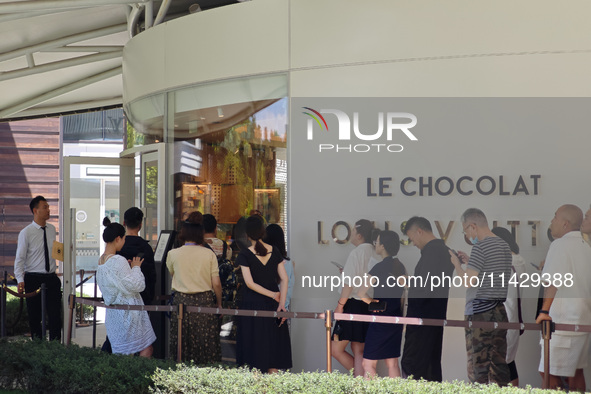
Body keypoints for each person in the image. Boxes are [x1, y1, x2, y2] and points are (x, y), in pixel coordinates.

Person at [449, 208, 512, 386]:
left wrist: (457, 266)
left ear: (473, 226)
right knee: (499, 363)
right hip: (500, 310)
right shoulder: (504, 245)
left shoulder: (480, 246)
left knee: (478, 366)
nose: (467, 235)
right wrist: (471, 261)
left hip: (479, 312)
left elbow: (468, 282)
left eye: (465, 230)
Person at [536, 204, 591, 391]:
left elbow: (553, 282)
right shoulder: (586, 247)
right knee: (576, 372)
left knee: (547, 372)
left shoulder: (560, 245)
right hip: (582, 320)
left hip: (562, 321)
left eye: (555, 217)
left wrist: (544, 311)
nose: (552, 221)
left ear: (565, 224)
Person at [236, 215, 292, 372]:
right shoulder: (275, 251)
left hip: (251, 305)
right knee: (272, 353)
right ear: (262, 232)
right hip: (272, 306)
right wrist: (280, 303)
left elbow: (249, 283)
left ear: (247, 235)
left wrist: (273, 295)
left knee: (254, 354)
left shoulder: (245, 254)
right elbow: (284, 279)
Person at [401, 216, 454, 382]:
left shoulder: (432, 252)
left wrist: (408, 283)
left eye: (412, 238)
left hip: (422, 319)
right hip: (436, 317)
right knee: (431, 366)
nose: (413, 243)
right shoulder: (445, 250)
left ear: (419, 231)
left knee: (412, 366)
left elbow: (427, 286)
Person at [96, 217, 155, 356]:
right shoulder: (118, 260)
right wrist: (135, 267)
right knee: (146, 348)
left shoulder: (101, 260)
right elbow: (137, 285)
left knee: (123, 352)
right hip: (128, 313)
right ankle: (140, 376)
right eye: (123, 239)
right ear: (118, 238)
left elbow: (117, 282)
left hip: (114, 314)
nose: (124, 242)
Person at [166, 221, 222, 364]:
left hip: (181, 302)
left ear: (183, 234)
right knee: (205, 341)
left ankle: (180, 372)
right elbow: (216, 283)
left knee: (181, 340)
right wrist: (219, 303)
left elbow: (174, 275)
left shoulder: (173, 254)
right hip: (204, 301)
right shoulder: (209, 254)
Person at [358, 230, 406, 379]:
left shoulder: (378, 268)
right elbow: (404, 295)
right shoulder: (400, 266)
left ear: (383, 246)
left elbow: (361, 293)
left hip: (379, 320)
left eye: (377, 242)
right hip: (396, 319)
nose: (375, 245)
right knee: (392, 363)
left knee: (368, 364)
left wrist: (373, 303)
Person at [14, 196, 62, 341]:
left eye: (48, 207)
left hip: (51, 278)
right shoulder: (26, 232)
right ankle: (38, 347)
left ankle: (55, 347)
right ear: (35, 211)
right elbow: (20, 258)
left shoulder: (52, 229)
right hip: (33, 278)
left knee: (55, 316)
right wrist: (20, 279)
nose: (49, 210)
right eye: (45, 207)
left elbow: (54, 251)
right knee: (35, 317)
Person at [332, 219, 374, 377]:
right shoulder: (373, 251)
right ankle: (363, 381)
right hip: (367, 305)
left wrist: (340, 305)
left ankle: (361, 381)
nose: (351, 235)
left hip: (353, 304)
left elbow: (349, 283)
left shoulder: (357, 253)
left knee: (335, 349)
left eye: (354, 232)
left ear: (360, 235)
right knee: (359, 350)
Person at [491, 226, 527, 387]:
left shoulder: (503, 265)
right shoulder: (518, 262)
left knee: (499, 368)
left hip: (502, 323)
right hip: (513, 321)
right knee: (509, 363)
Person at [119, 207, 156, 306]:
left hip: (121, 298)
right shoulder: (146, 248)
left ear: (124, 223)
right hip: (143, 299)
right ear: (140, 225)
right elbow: (152, 276)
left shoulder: (119, 247)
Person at [263, 224, 295, 310]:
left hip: (263, 308)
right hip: (282, 309)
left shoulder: (263, 261)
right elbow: (289, 289)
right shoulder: (288, 263)